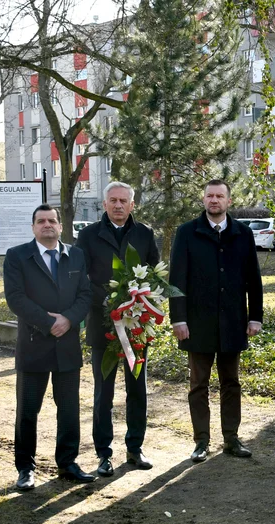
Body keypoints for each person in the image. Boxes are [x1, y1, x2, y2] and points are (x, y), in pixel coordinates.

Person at [169, 179, 264, 463]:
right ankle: (201, 441)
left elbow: (253, 279)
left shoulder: (243, 233)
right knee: (198, 384)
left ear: (228, 201)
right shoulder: (187, 233)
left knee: (231, 383)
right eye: (209, 195)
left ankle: (231, 438)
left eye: (219, 196)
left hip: (233, 322)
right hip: (196, 323)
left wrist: (255, 316)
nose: (214, 200)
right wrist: (178, 319)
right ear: (203, 200)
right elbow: (177, 280)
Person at [4, 204, 93, 489]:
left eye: (52, 220)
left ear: (60, 226)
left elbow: (85, 294)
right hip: (33, 345)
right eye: (41, 221)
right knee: (28, 410)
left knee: (69, 409)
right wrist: (47, 322)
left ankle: (67, 463)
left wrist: (68, 319)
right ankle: (25, 468)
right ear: (33, 227)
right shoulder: (17, 256)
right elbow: (15, 298)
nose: (47, 225)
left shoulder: (75, 255)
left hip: (67, 346)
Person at [76, 182, 161, 477]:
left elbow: (154, 275)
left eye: (123, 200)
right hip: (104, 326)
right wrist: (111, 302)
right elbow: (81, 279)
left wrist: (136, 302)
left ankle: (135, 447)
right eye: (112, 200)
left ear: (132, 205)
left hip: (137, 325)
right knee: (104, 393)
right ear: (104, 204)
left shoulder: (145, 234)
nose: (118, 205)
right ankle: (103, 453)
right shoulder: (87, 236)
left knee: (137, 390)